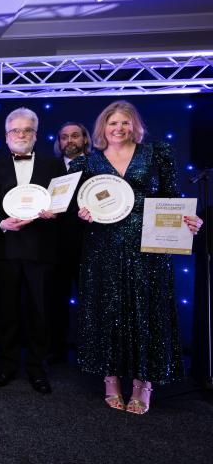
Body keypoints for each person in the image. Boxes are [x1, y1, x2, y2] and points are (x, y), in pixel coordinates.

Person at [71, 100, 202, 414]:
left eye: (125, 123)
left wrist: (188, 219)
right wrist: (82, 212)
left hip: (149, 245)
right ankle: (111, 380)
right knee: (107, 310)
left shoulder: (157, 153)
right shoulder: (86, 161)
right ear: (103, 127)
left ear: (135, 126)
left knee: (147, 311)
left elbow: (171, 196)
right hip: (102, 246)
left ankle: (144, 383)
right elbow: (74, 204)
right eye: (113, 123)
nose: (118, 129)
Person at [0, 107, 64, 394]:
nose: (21, 135)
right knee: (6, 312)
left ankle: (37, 368)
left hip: (41, 249)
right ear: (6, 136)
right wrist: (1, 222)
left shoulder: (54, 165)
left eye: (27, 130)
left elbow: (62, 202)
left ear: (36, 135)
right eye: (15, 130)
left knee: (40, 312)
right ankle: (5, 365)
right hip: (5, 247)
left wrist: (55, 212)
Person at [49, 121, 92, 363]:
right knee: (56, 300)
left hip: (90, 244)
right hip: (57, 245)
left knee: (91, 301)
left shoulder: (98, 166)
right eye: (64, 137)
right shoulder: (52, 167)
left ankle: (90, 353)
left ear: (85, 139)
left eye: (75, 136)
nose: (69, 141)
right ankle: (57, 351)